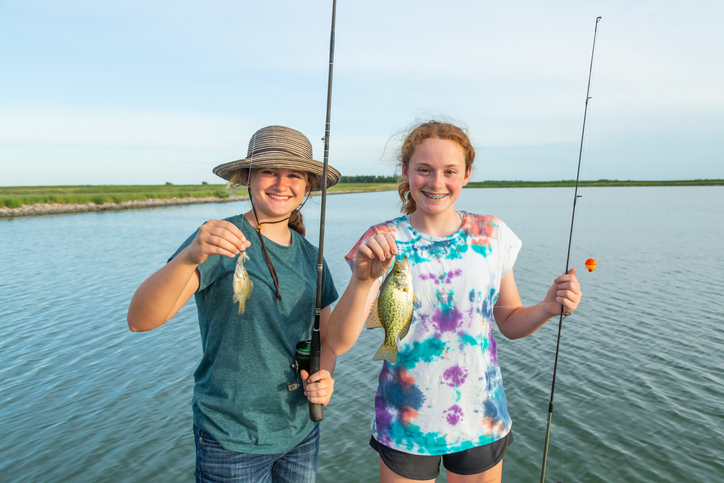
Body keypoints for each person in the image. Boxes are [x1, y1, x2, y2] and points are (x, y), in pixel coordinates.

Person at [326, 121, 582, 483]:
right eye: (424, 170)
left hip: (481, 415)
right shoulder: (382, 240)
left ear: (467, 175)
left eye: (450, 171)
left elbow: (508, 319)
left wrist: (546, 308)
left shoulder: (492, 234)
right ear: (406, 172)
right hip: (405, 417)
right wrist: (362, 279)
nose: (436, 182)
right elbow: (337, 342)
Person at [127, 125, 341, 483]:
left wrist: (325, 376)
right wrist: (189, 257)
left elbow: (327, 339)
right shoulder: (217, 241)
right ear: (247, 177)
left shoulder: (310, 256)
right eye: (268, 171)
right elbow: (141, 320)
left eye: (293, 175)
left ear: (307, 186)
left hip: (301, 430)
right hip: (230, 438)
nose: (280, 183)